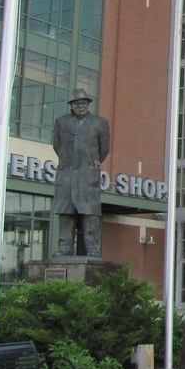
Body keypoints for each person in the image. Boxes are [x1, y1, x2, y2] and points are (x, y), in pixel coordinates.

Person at [52, 88, 110, 257]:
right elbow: (57, 145)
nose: (80, 106)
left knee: (90, 213)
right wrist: (68, 161)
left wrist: (93, 162)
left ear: (88, 104)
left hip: (87, 174)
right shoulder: (61, 122)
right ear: (72, 105)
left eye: (83, 103)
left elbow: (104, 148)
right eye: (77, 103)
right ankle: (64, 248)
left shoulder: (100, 123)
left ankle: (93, 249)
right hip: (67, 174)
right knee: (65, 212)